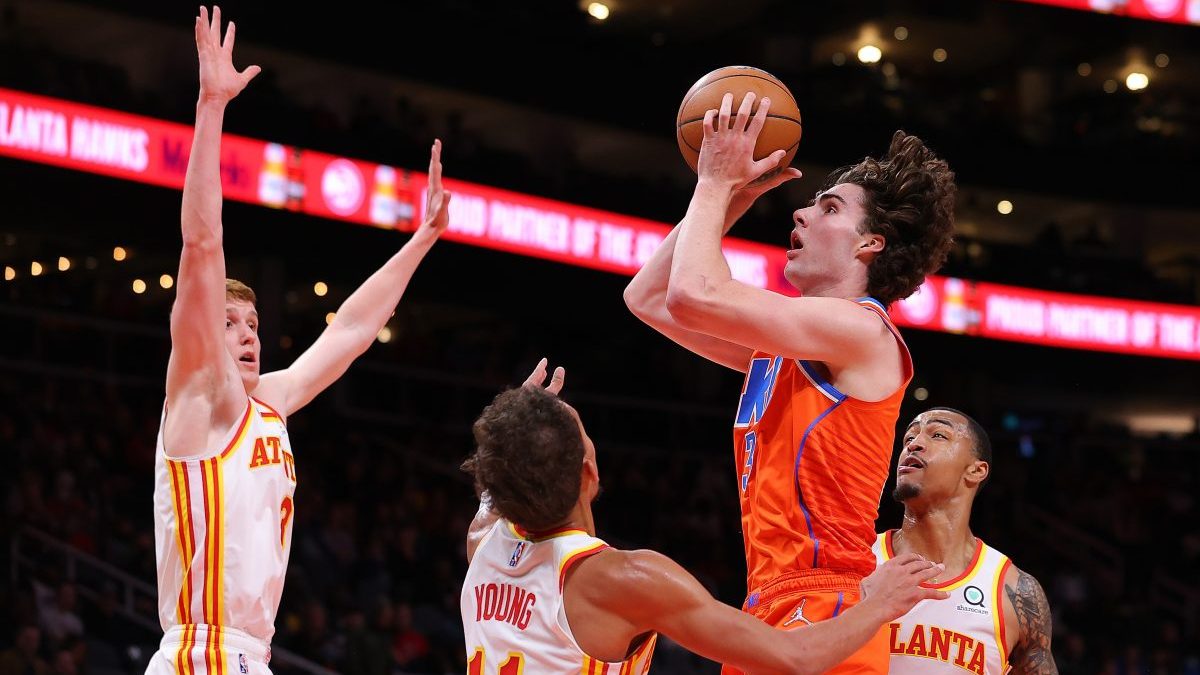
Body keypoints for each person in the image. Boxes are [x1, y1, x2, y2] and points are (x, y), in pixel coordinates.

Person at [147, 7, 451, 675]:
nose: (247, 335)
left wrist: (421, 241)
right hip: (203, 653)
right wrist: (210, 108)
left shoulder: (272, 401)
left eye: (254, 325)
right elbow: (202, 244)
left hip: (248, 655)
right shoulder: (200, 394)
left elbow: (351, 330)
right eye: (230, 323)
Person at [624, 92, 957, 674]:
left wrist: (715, 182)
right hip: (766, 602)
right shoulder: (785, 350)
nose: (800, 214)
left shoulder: (862, 331)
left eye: (829, 209)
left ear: (869, 244)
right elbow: (648, 297)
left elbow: (692, 294)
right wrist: (732, 198)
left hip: (829, 602)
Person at [459, 359, 948, 675]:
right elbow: (792, 658)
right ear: (590, 473)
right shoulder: (624, 579)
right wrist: (876, 605)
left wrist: (518, 427)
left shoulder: (483, 544)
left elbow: (493, 491)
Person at [875, 407, 1058, 674]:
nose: (913, 444)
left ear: (976, 470)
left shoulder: (1015, 591)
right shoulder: (855, 559)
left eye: (938, 435)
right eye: (908, 438)